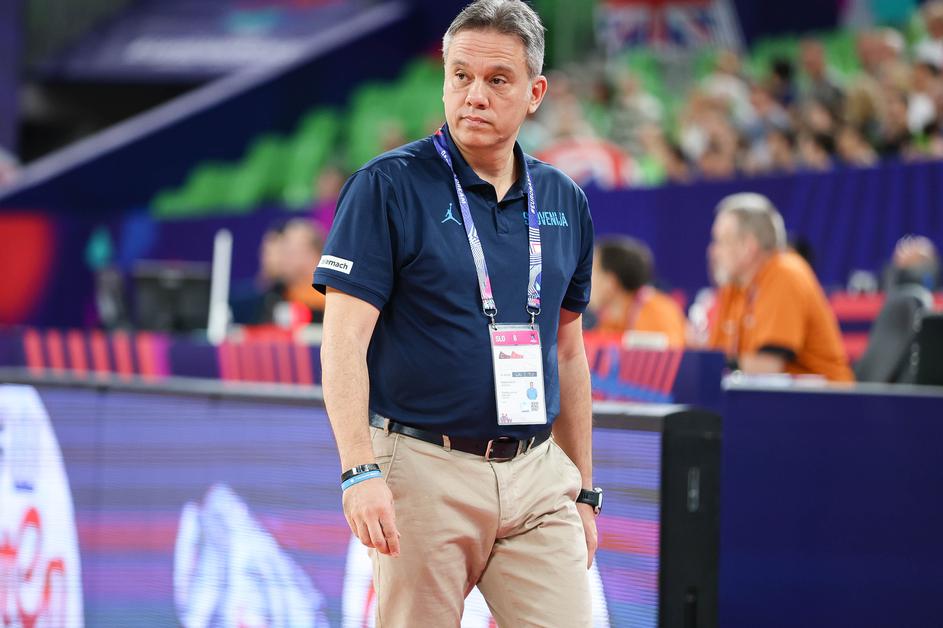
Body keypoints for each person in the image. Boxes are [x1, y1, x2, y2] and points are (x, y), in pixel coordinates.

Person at [312, 2, 599, 626]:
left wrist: (584, 490)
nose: (475, 95)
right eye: (461, 76)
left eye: (497, 80)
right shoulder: (386, 186)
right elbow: (343, 342)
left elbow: (568, 350)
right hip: (423, 469)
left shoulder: (564, 199)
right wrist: (358, 470)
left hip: (537, 473)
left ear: (535, 93)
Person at [707, 192, 854, 381]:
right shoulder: (734, 286)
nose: (714, 251)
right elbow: (717, 356)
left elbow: (768, 366)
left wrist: (709, 368)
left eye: (721, 241)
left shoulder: (784, 273)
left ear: (748, 246)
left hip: (825, 396)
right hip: (775, 395)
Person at [589, 236, 687, 348]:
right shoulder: (608, 321)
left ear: (610, 282)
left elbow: (675, 355)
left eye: (591, 271)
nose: (583, 279)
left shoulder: (658, 314)